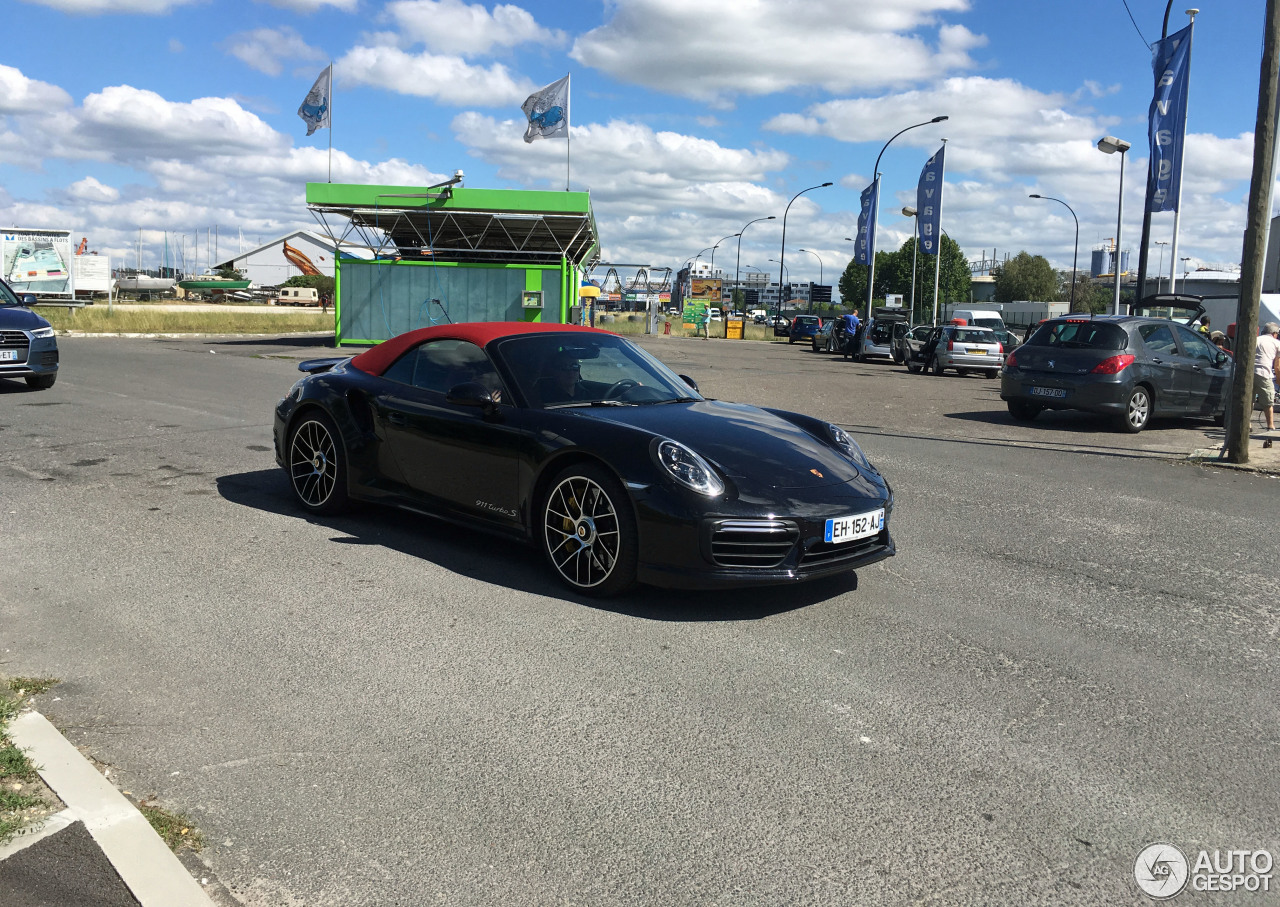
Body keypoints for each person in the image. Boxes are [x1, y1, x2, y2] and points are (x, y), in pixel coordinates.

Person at [1254, 321, 1280, 432]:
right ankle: (1270, 425)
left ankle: (1247, 425)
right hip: (1264, 373)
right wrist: (1278, 379)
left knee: (1248, 400)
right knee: (1268, 401)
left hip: (1248, 372)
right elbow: (1277, 366)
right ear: (1274, 333)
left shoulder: (1255, 339)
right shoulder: (1276, 343)